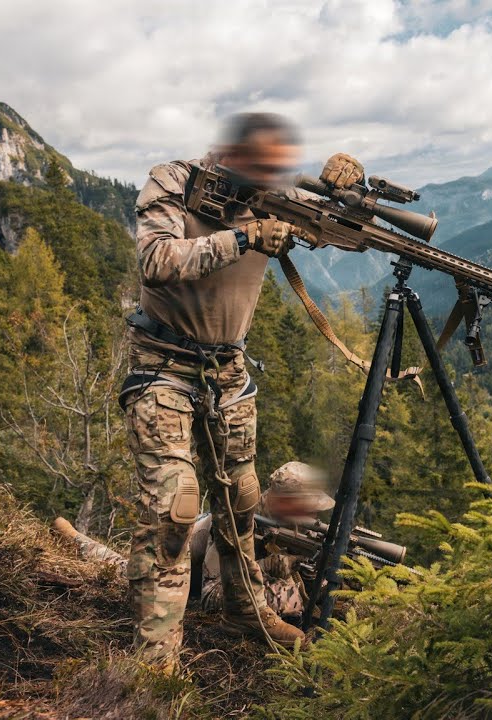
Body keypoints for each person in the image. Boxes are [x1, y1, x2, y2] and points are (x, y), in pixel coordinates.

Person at [119, 112, 363, 662]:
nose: (272, 178)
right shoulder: (174, 181)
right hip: (163, 368)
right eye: (262, 166)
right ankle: (156, 657)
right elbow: (156, 259)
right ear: (230, 154)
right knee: (175, 509)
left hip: (228, 375)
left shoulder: (275, 200)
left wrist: (346, 192)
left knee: (241, 502)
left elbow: (344, 238)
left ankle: (245, 612)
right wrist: (245, 236)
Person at [188, 461, 334, 626]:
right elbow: (210, 596)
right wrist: (267, 565)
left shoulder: (295, 526)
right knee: (286, 598)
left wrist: (312, 572)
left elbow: (316, 592)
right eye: (307, 509)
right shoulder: (239, 521)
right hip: (188, 583)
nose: (314, 516)